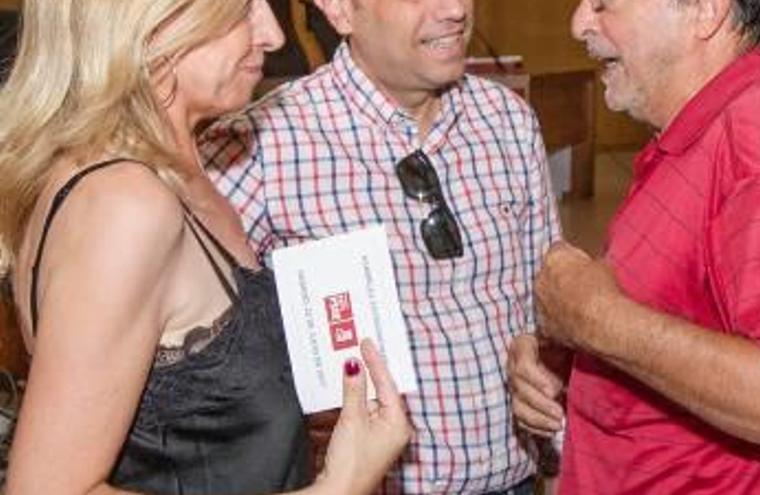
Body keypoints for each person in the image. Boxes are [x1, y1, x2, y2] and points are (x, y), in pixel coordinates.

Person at [0, 1, 411, 494]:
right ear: (151, 21)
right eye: (242, 9)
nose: (274, 35)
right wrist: (337, 487)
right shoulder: (125, 204)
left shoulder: (177, 175)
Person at [508, 0, 760, 493]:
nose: (579, 24)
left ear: (706, 11)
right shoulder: (696, 132)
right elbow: (683, 314)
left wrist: (597, 320)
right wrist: (570, 361)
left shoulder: (758, 149)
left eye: (603, 4)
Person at [199, 0, 561, 492]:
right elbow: (185, 351)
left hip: (517, 479)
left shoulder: (509, 122)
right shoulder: (259, 145)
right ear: (341, 12)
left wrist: (535, 350)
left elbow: (544, 294)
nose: (455, 10)